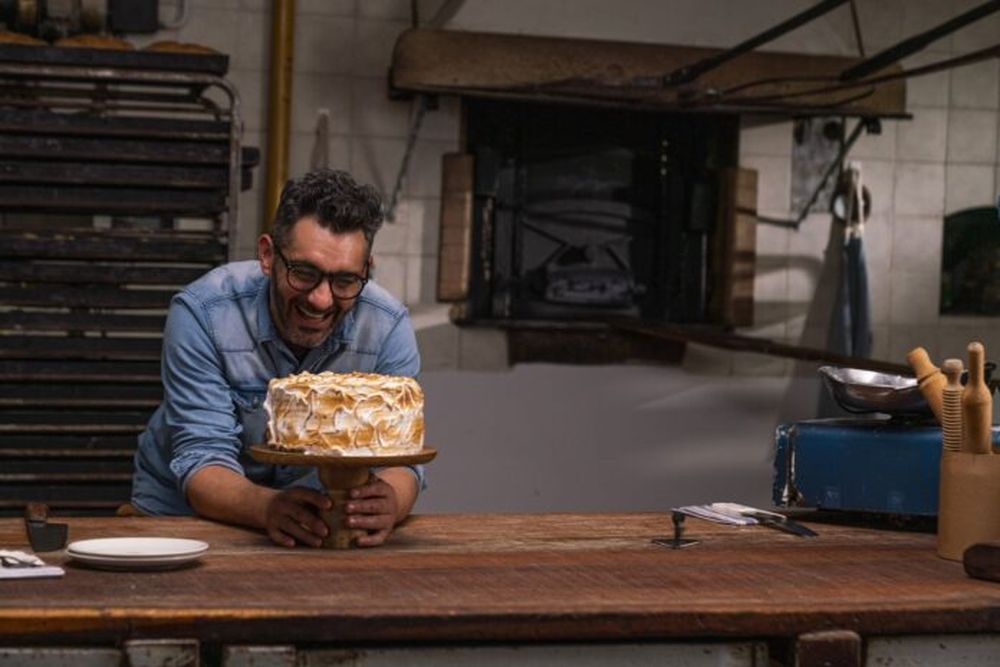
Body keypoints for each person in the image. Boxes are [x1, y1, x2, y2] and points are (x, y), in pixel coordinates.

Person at [130, 169, 424, 548]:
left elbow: (403, 458)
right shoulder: (203, 314)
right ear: (268, 255)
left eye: (345, 281)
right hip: (182, 517)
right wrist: (266, 508)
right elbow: (202, 457)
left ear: (366, 271)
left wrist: (393, 501)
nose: (321, 299)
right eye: (304, 273)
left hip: (316, 522)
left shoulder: (388, 326)